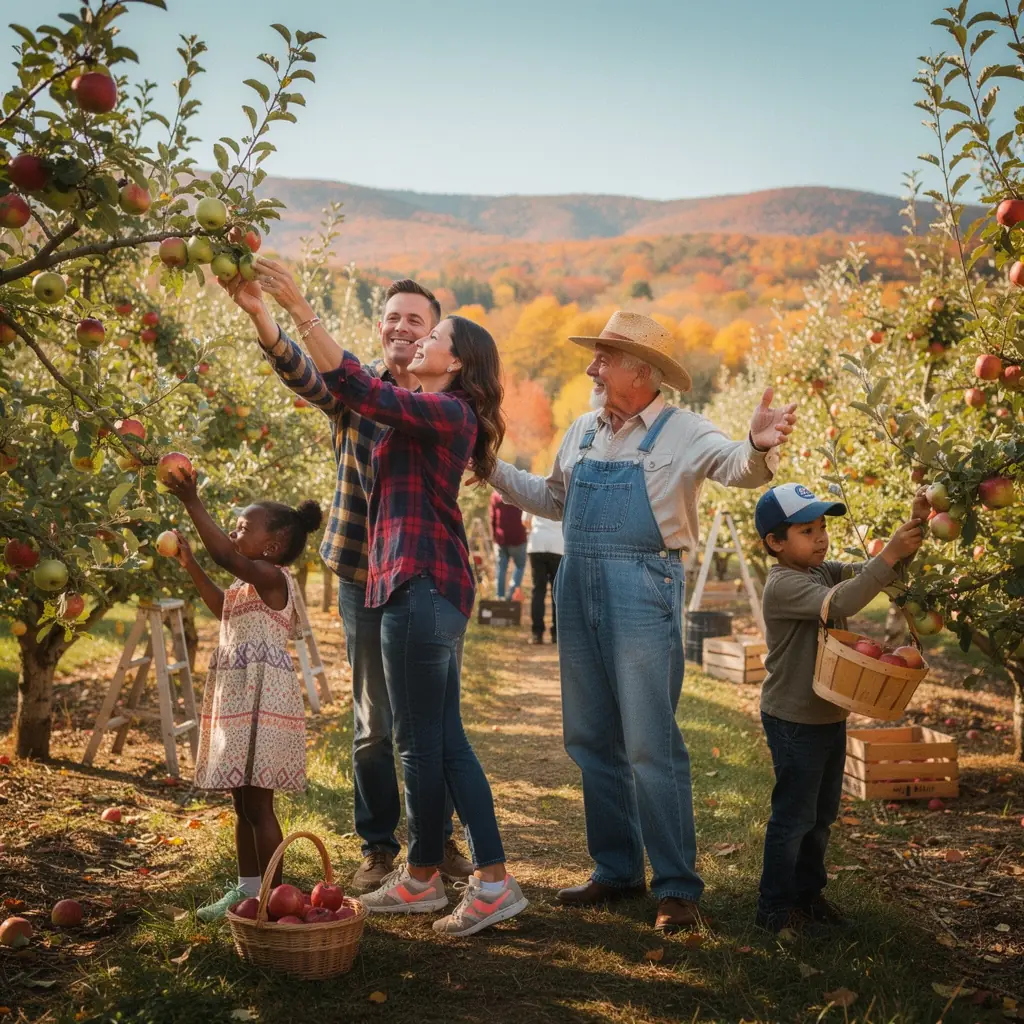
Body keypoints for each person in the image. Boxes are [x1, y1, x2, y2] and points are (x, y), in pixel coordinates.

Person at [239, 259, 528, 937]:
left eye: (429, 335)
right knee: (427, 738)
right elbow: (334, 383)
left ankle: (491, 882)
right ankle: (424, 876)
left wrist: (300, 308)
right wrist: (269, 320)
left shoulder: (443, 412)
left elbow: (363, 391)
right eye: (400, 326)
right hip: (399, 584)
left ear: (455, 362)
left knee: (429, 744)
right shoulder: (421, 408)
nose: (413, 340)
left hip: (420, 585)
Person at [490, 310, 797, 932]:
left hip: (642, 583)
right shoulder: (580, 430)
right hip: (578, 581)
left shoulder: (685, 431)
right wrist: (487, 466)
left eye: (603, 358)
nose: (591, 368)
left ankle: (678, 885)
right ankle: (616, 869)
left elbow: (734, 465)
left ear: (642, 370)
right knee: (589, 737)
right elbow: (554, 499)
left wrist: (760, 444)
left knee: (650, 742)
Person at [754, 482, 928, 933]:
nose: (821, 537)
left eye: (823, 527)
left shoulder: (820, 571)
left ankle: (807, 896)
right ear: (775, 542)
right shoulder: (784, 585)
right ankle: (773, 907)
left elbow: (872, 573)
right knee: (794, 817)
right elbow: (847, 600)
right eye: (807, 530)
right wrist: (887, 556)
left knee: (821, 816)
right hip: (793, 719)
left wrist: (911, 531)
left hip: (829, 713)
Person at [161, 465, 322, 922]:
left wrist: (192, 501)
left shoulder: (271, 579)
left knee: (259, 804)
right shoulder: (245, 583)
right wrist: (190, 564)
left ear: (271, 546)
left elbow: (229, 560)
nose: (234, 533)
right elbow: (222, 609)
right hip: (238, 696)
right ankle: (246, 893)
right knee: (241, 802)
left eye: (243, 528)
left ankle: (274, 898)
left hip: (263, 701)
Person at [524, 513, 563, 644]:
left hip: (537, 544)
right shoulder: (566, 493)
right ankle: (556, 634)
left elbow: (525, 520)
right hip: (559, 545)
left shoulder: (535, 492)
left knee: (538, 590)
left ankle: (537, 633)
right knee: (557, 591)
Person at [489, 490, 526, 600]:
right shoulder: (519, 493)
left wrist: (494, 538)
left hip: (501, 538)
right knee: (520, 566)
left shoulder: (495, 495)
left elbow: (492, 518)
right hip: (518, 537)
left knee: (501, 568)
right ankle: (511, 595)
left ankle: (500, 596)